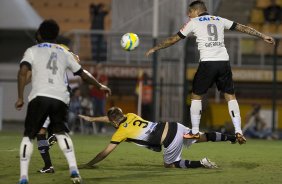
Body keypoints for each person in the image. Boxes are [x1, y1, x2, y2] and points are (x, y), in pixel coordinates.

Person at [145, 0, 275, 142]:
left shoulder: (193, 22)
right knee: (230, 96)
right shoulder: (219, 19)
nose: (188, 15)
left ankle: (194, 131)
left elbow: (174, 39)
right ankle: (238, 131)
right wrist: (262, 36)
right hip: (223, 62)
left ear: (196, 11)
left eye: (190, 12)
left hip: (207, 62)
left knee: (196, 96)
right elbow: (242, 27)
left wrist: (155, 48)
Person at [15, 19, 111, 184]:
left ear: (39, 34)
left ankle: (24, 177)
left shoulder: (32, 50)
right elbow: (82, 72)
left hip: (40, 96)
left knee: (31, 135)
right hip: (61, 96)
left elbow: (23, 73)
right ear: (56, 35)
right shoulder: (64, 51)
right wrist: (99, 85)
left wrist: (20, 96)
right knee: (61, 133)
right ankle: (73, 169)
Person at [78, 107, 238, 169]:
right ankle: (231, 137)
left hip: (169, 138)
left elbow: (105, 153)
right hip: (175, 126)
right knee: (203, 137)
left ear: (113, 121)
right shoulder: (131, 115)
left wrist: (89, 164)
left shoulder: (120, 133)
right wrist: (93, 119)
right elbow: (111, 118)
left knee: (170, 164)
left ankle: (202, 163)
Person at [90, 64, 108, 133]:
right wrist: (97, 77)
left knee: (102, 112)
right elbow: (91, 86)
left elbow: (103, 86)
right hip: (94, 97)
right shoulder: (93, 76)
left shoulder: (104, 76)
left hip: (101, 97)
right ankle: (91, 127)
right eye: (97, 68)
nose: (98, 70)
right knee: (93, 112)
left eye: (100, 68)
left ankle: (102, 127)